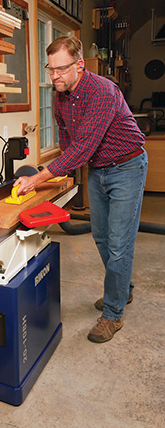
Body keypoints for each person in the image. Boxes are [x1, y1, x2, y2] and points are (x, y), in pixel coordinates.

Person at [14, 35, 148, 343]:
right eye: (51, 69)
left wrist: (38, 178)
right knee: (101, 237)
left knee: (118, 243)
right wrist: (60, 174)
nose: (55, 76)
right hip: (98, 170)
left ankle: (113, 314)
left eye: (62, 69)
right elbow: (68, 140)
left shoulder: (102, 90)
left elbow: (85, 146)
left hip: (127, 167)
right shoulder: (61, 94)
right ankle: (122, 290)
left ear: (80, 65)